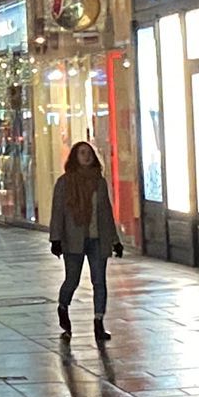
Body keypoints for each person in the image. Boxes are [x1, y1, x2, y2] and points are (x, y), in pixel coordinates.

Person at [48, 140, 120, 340]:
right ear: (74, 157)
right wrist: (56, 239)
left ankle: (98, 322)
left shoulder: (100, 182)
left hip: (98, 238)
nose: (86, 156)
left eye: (88, 152)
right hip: (73, 239)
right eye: (81, 153)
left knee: (99, 281)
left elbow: (106, 212)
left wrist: (115, 240)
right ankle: (63, 307)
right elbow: (58, 212)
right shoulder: (65, 182)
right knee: (72, 280)